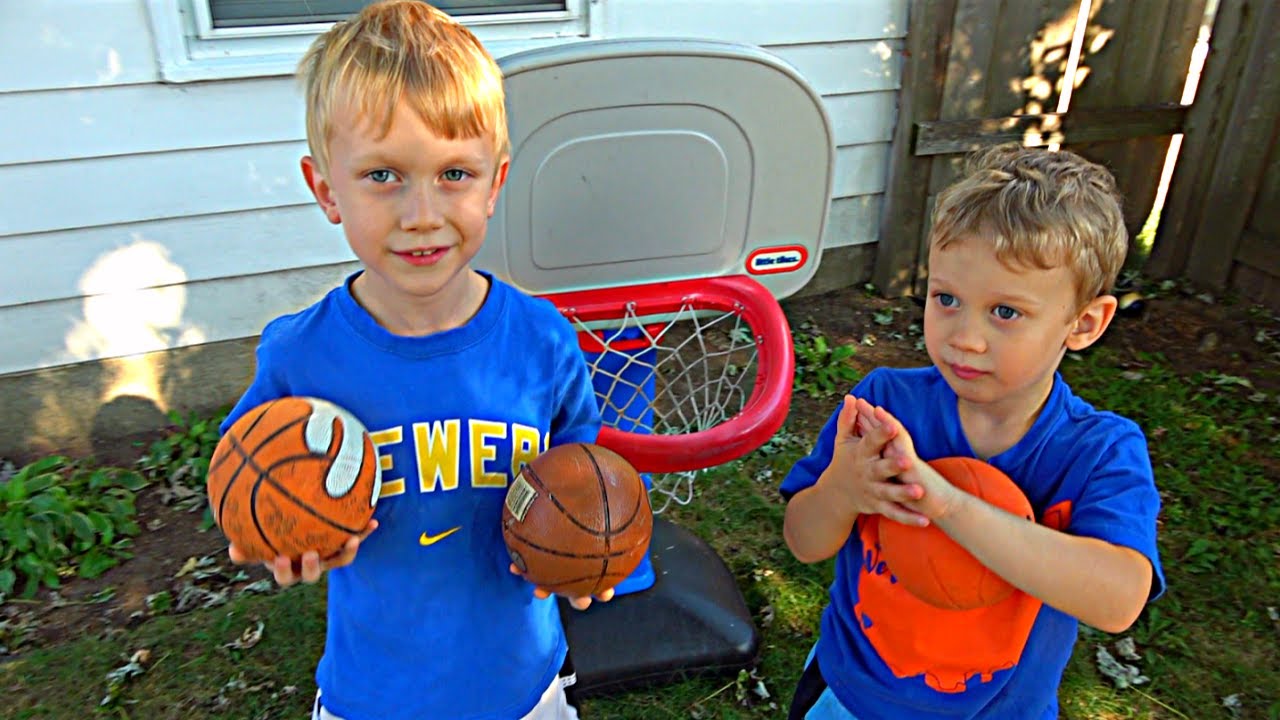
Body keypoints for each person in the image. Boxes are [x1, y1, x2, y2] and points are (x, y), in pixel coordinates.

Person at [218, 3, 606, 718]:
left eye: (454, 172)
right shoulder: (301, 355)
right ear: (326, 189)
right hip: (375, 692)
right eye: (383, 176)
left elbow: (579, 463)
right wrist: (277, 535)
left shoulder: (541, 339)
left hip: (523, 684)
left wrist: (590, 542)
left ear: (496, 181)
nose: (422, 212)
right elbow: (246, 479)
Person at [780, 144, 1165, 719]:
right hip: (852, 697)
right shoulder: (885, 405)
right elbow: (803, 541)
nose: (965, 337)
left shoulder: (1097, 452)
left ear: (1084, 324)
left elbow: (1118, 600)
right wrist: (843, 490)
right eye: (947, 299)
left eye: (1005, 312)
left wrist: (946, 505)